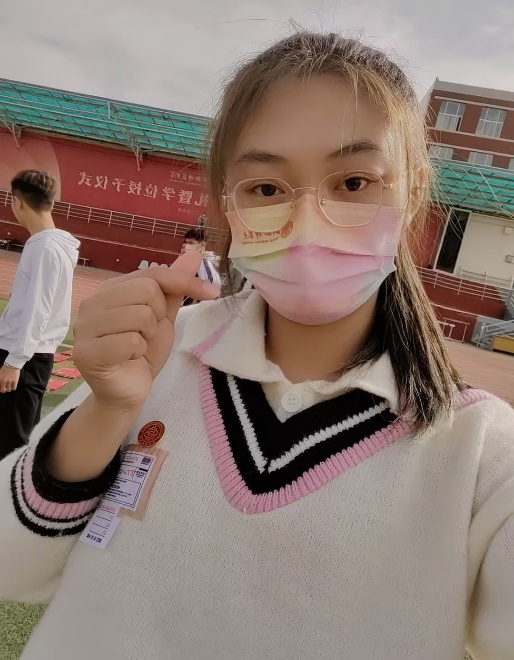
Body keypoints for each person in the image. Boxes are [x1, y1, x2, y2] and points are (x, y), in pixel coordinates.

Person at [0, 32, 513, 660]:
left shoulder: (483, 453)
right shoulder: (159, 352)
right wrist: (108, 410)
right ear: (227, 206)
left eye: (354, 181)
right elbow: (9, 568)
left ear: (412, 195)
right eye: (266, 189)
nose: (309, 219)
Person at [0, 170, 79, 460]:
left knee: (12, 440)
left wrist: (14, 361)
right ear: (52, 203)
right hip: (30, 354)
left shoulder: (45, 247)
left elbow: (39, 309)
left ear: (17, 202)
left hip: (24, 356)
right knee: (16, 433)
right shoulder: (51, 244)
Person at [181, 226, 220, 305]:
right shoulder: (187, 261)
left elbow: (211, 294)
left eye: (191, 243)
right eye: (185, 242)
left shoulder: (205, 264)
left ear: (202, 246)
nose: (186, 245)